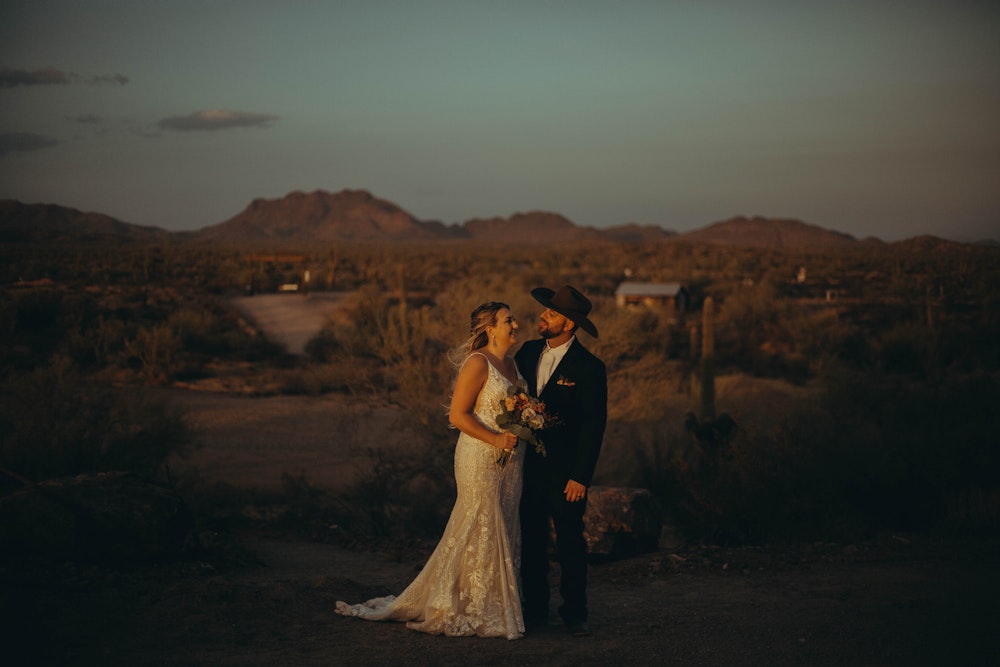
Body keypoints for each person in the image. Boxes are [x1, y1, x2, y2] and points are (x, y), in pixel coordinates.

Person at [335, 301, 526, 640]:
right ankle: (469, 607)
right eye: (508, 320)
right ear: (490, 328)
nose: (515, 324)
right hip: (481, 455)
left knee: (503, 522)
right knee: (479, 522)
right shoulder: (478, 363)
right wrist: (496, 439)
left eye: (512, 319)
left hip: (510, 462)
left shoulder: (512, 364)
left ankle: (490, 603)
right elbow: (458, 415)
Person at [514, 285, 607, 637]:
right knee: (532, 541)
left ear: (568, 324)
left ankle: (575, 612)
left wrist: (581, 476)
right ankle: (535, 610)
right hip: (525, 469)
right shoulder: (527, 351)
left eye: (551, 313)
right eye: (546, 311)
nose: (543, 316)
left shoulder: (589, 368)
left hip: (566, 474)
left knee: (569, 542)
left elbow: (594, 425)